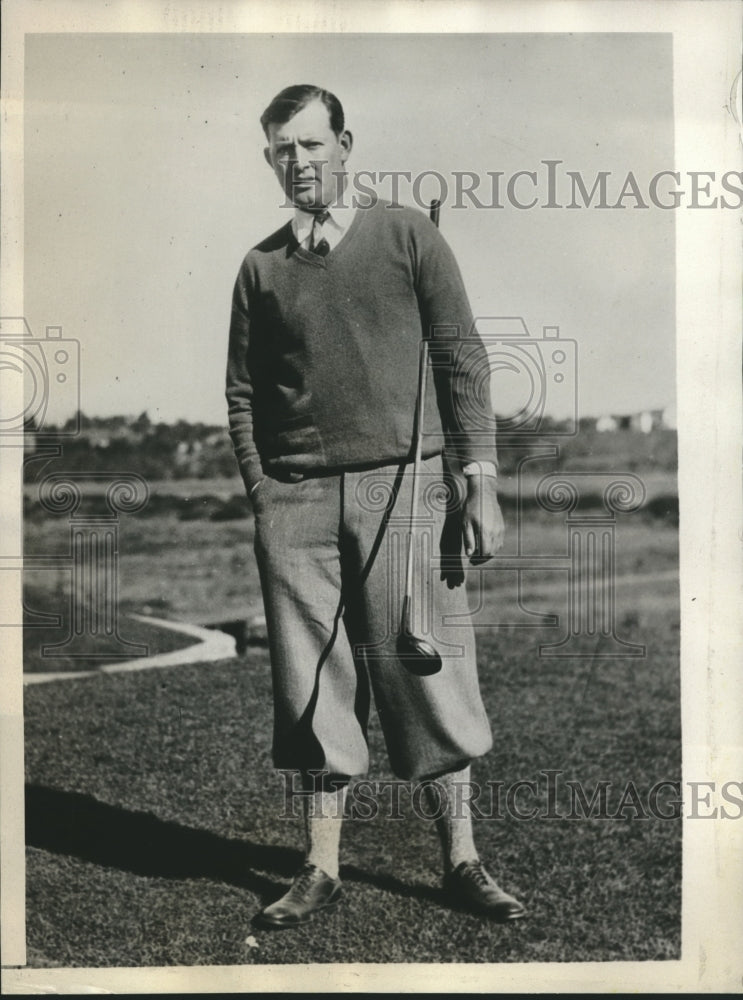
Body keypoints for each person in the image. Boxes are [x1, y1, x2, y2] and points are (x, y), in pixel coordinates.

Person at [226, 84, 526, 928]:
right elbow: (242, 394)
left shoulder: (407, 235)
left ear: (345, 145)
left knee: (428, 673)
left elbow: (463, 362)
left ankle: (461, 862)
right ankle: (319, 868)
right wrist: (265, 492)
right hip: (297, 506)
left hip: (407, 488)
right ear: (269, 159)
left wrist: (480, 481)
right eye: (283, 150)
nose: (300, 162)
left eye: (313, 146)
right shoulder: (260, 266)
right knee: (313, 689)